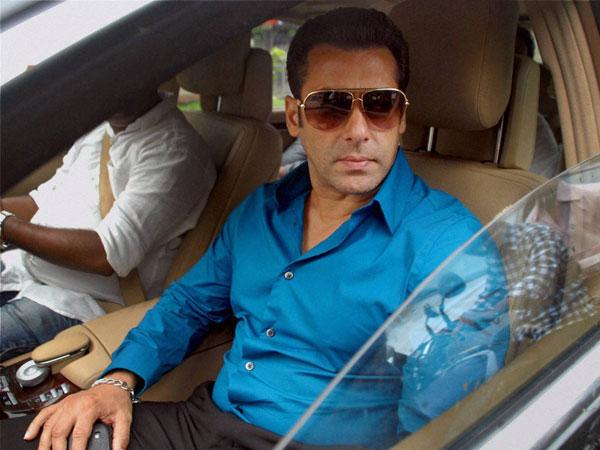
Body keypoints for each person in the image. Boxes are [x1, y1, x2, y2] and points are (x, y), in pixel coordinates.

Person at [3, 7, 507, 450]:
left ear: (401, 118)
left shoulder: (450, 250)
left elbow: (439, 431)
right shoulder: (261, 211)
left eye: (380, 104)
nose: (358, 131)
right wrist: (116, 382)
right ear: (295, 117)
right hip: (204, 425)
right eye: (330, 106)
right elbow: (188, 305)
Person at [0, 87, 217, 361]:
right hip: (24, 272)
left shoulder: (174, 151)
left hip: (81, 304)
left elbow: (106, 255)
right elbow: (41, 201)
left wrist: (5, 227)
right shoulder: (99, 132)